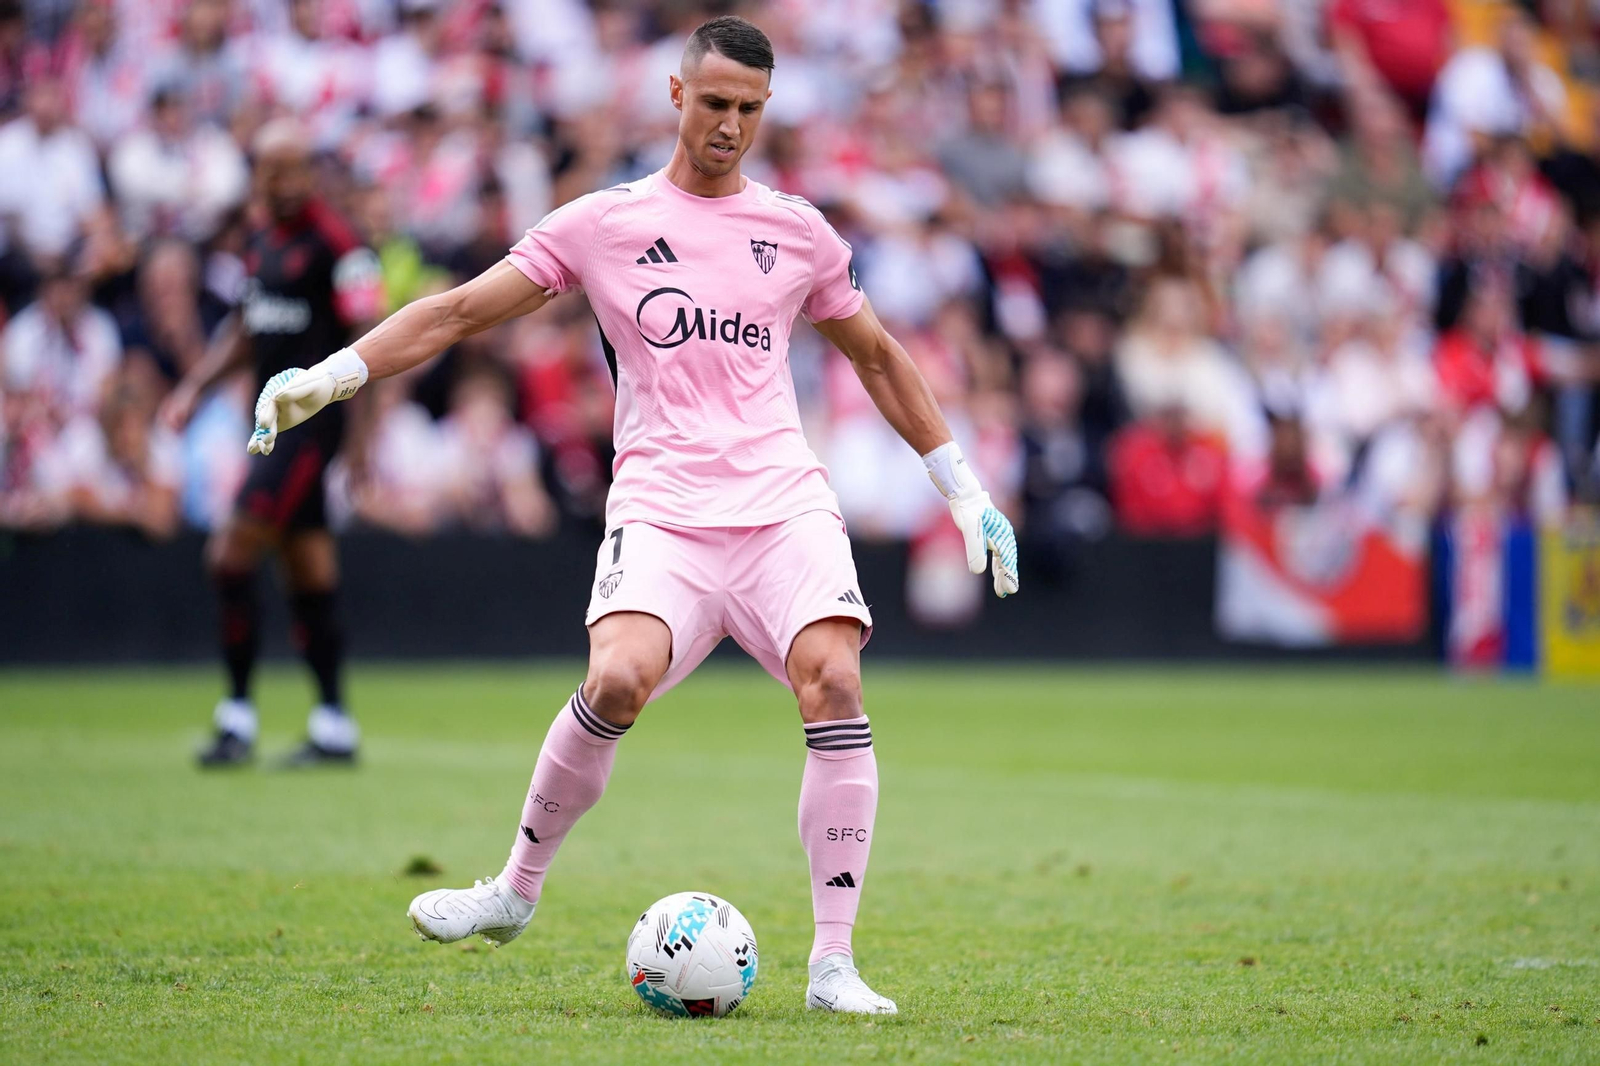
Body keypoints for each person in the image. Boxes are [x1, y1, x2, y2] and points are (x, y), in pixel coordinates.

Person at [243, 17, 1018, 1015]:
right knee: (616, 677)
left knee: (834, 679)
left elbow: (876, 357)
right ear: (676, 94)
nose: (729, 125)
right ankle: (513, 892)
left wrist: (965, 488)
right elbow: (459, 310)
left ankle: (833, 965)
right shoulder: (603, 224)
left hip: (782, 507)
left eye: (748, 109)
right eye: (714, 103)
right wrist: (333, 374)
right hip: (662, 511)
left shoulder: (796, 232)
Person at [161, 119, 382, 768]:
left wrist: (362, 442)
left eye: (293, 169)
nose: (282, 182)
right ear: (256, 174)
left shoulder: (342, 244)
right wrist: (195, 387)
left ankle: (236, 718)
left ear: (311, 173)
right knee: (308, 567)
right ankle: (334, 726)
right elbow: (245, 328)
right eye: (270, 170)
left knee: (229, 554)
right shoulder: (257, 240)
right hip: (270, 428)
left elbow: (370, 340)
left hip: (313, 428)